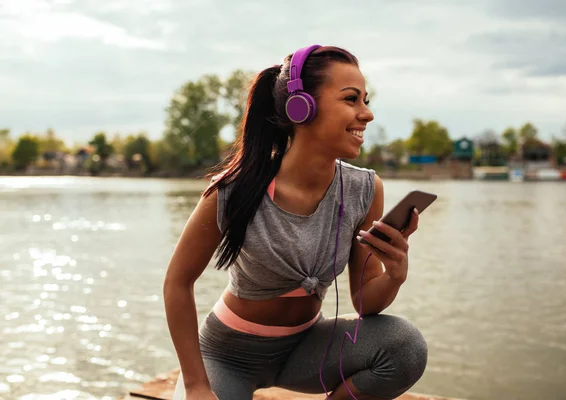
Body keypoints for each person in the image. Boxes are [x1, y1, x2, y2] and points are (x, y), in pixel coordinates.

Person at [163, 45, 428, 400]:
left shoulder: (365, 189)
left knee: (404, 347)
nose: (367, 114)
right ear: (301, 107)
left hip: (306, 350)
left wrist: (395, 274)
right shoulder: (233, 190)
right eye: (351, 99)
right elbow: (177, 283)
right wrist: (197, 386)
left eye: (366, 100)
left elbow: (365, 302)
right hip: (228, 356)